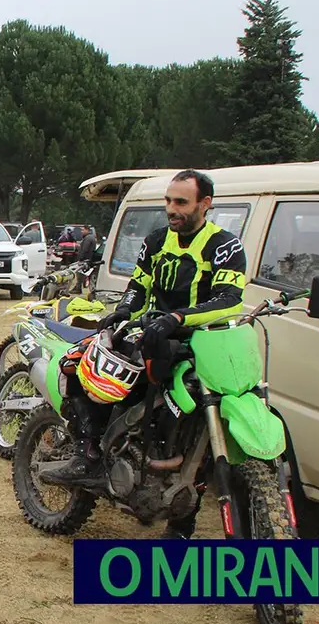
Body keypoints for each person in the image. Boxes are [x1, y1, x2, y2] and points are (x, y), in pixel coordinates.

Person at [39, 169, 247, 540]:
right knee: (80, 367)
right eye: (168, 201)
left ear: (205, 204)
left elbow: (229, 300)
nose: (171, 209)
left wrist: (177, 317)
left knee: (186, 434)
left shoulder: (225, 246)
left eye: (181, 202)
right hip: (155, 338)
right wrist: (123, 312)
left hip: (203, 346)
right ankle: (89, 455)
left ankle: (182, 523)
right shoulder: (155, 241)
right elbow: (139, 287)